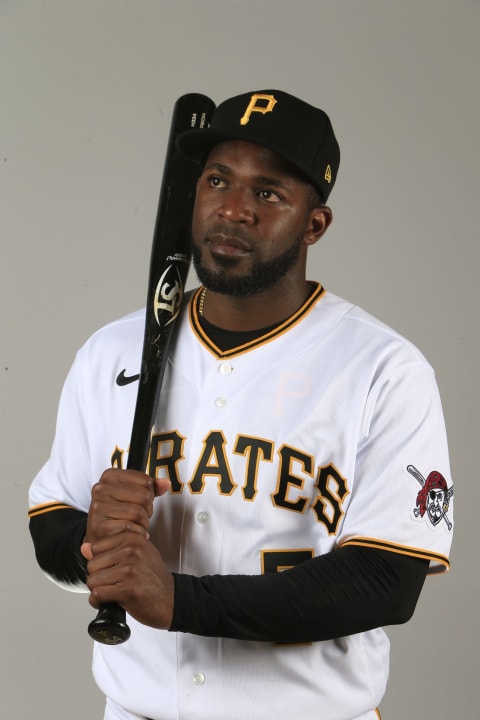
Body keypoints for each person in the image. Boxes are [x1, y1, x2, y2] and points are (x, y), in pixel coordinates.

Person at [28, 89, 454, 720]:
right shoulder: (111, 350)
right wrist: (91, 544)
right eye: (218, 180)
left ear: (315, 224)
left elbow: (385, 582)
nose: (233, 209)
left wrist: (178, 601)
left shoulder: (384, 369)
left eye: (267, 192)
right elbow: (51, 523)